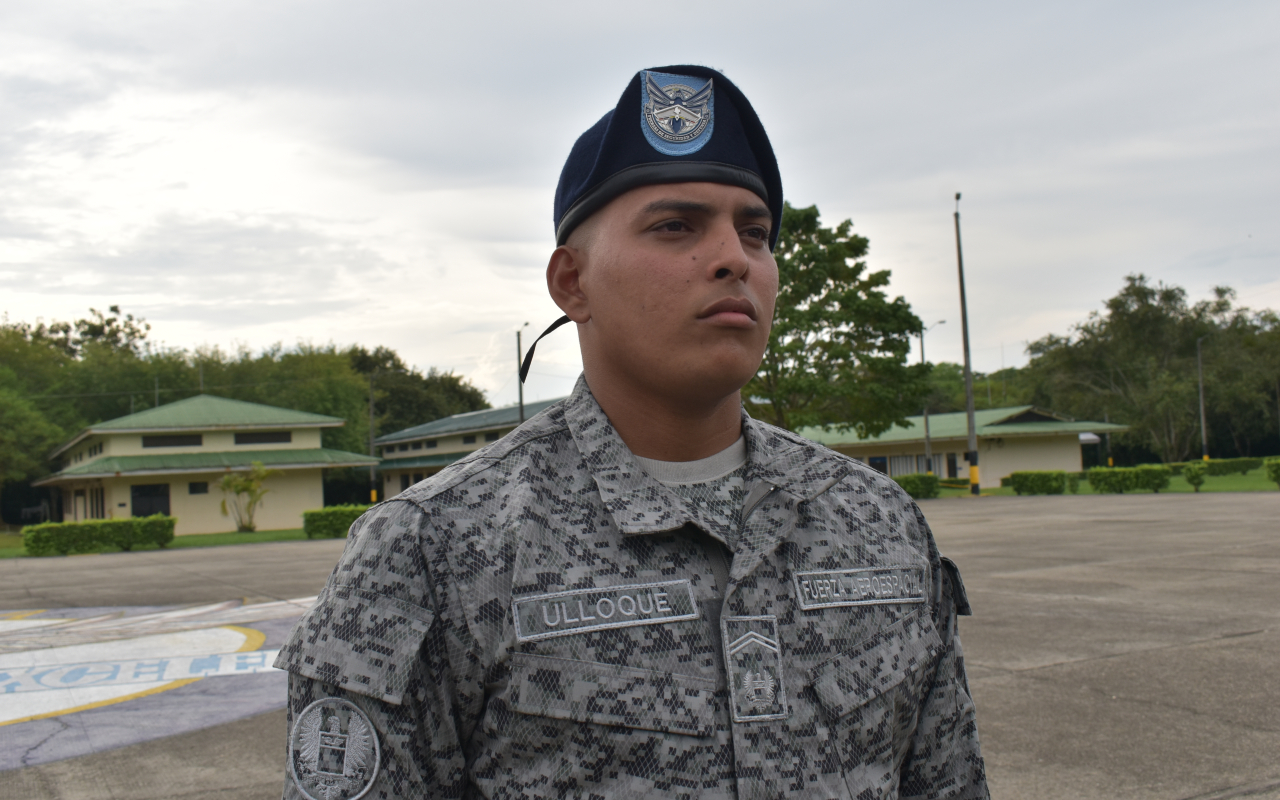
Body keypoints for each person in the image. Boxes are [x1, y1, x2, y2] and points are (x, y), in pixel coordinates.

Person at [276, 64, 988, 800]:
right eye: (676, 226)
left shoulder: (880, 523)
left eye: (756, 232)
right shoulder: (435, 550)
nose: (732, 258)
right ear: (571, 282)